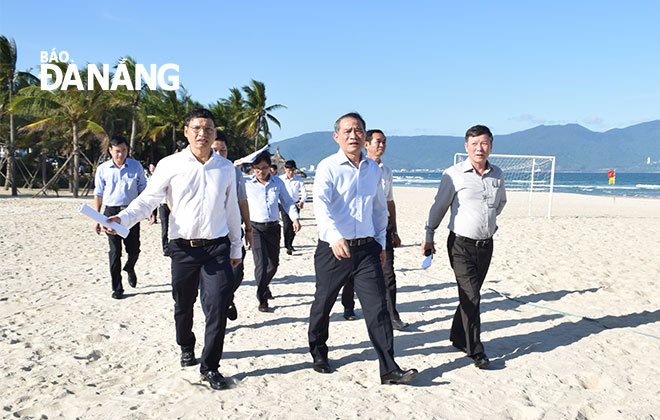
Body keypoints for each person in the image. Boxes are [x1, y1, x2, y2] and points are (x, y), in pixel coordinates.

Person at [105, 108, 242, 390]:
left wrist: (236, 246)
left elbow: (231, 212)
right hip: (183, 248)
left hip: (217, 247)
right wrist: (123, 219)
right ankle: (186, 345)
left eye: (208, 129)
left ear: (215, 134)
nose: (202, 134)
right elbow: (147, 200)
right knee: (183, 304)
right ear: (186, 131)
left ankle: (210, 366)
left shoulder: (226, 169)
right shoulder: (170, 164)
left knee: (217, 306)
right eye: (197, 128)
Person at [308, 112, 418, 385]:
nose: (353, 135)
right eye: (347, 131)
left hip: (368, 249)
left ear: (364, 136)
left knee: (377, 308)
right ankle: (319, 352)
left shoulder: (373, 170)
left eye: (358, 130)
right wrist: (334, 236)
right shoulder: (328, 166)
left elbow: (379, 209)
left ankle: (389, 368)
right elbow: (320, 205)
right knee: (323, 303)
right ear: (337, 136)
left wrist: (381, 242)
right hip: (334, 248)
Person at [421, 124, 507, 369]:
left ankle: (458, 337)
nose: (480, 148)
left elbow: (500, 203)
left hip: (486, 244)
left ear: (491, 145)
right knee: (471, 295)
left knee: (471, 294)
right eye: (475, 144)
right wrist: (429, 234)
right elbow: (439, 206)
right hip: (460, 244)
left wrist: (487, 223)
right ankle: (475, 350)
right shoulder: (454, 173)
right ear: (466, 147)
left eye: (484, 143)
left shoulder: (497, 174)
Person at [341, 129, 408, 329]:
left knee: (388, 273)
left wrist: (394, 230)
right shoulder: (354, 168)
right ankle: (348, 305)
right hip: (358, 230)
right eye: (378, 142)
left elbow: (389, 202)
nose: (381, 146)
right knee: (351, 272)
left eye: (384, 142)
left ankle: (392, 314)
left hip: (381, 230)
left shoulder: (386, 171)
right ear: (366, 144)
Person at [245, 151, 300, 312]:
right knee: (260, 265)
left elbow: (288, 202)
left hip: (273, 228)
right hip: (255, 228)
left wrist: (295, 218)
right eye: (257, 169)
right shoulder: (246, 182)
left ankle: (265, 284)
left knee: (273, 264)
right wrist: (240, 162)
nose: (260, 172)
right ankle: (262, 298)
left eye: (263, 168)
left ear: (270, 167)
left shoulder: (278, 183)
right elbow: (230, 174)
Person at [93, 136, 147, 299]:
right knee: (115, 252)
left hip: (131, 212)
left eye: (124, 151)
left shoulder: (136, 166)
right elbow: (99, 193)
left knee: (134, 249)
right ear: (110, 150)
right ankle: (117, 288)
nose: (121, 155)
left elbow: (143, 190)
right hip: (111, 212)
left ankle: (130, 267)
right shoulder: (103, 169)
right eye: (117, 151)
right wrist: (97, 217)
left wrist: (148, 211)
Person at [211, 132, 253, 321]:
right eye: (215, 150)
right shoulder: (200, 171)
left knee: (237, 272)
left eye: (223, 150)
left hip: (233, 229)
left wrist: (249, 229)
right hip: (210, 233)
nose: (219, 154)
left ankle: (228, 297)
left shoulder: (233, 171)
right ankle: (221, 304)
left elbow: (242, 200)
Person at [279, 160, 307, 255]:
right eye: (289, 170)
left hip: (295, 204)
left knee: (294, 225)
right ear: (285, 169)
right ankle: (287, 245)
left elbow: (304, 192)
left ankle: (290, 243)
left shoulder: (299, 179)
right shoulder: (281, 179)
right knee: (286, 224)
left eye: (293, 170)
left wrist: (302, 201)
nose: (291, 172)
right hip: (283, 204)